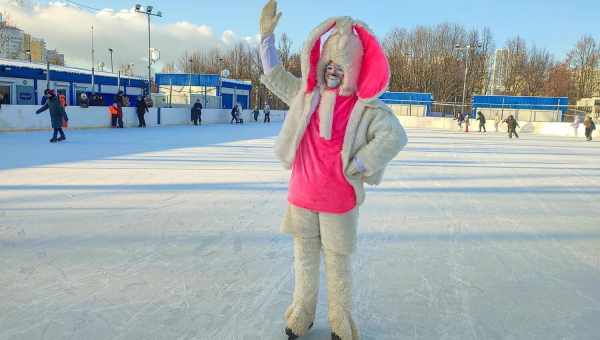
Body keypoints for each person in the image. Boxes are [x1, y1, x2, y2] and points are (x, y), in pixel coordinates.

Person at [259, 2, 407, 339]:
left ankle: (340, 321)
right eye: (329, 63)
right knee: (304, 262)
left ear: (353, 69)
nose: (333, 70)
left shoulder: (364, 107)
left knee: (338, 266)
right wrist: (266, 37)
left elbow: (394, 135)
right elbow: (274, 76)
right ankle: (302, 313)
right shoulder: (306, 95)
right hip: (302, 197)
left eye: (341, 66)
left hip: (338, 201)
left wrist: (360, 163)